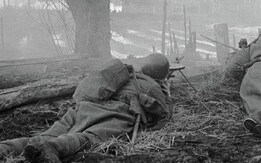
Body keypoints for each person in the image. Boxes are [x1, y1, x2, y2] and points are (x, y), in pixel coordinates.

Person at [0, 53, 171, 163]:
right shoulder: (150, 84)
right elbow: (163, 114)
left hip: (83, 107)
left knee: (45, 135)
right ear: (160, 74)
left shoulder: (122, 72)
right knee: (87, 138)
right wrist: (165, 92)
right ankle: (54, 148)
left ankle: (6, 148)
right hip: (114, 114)